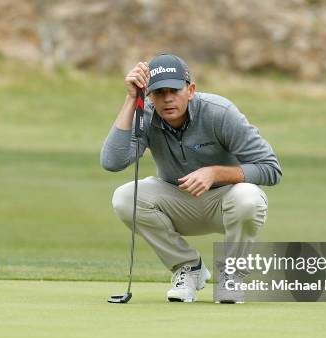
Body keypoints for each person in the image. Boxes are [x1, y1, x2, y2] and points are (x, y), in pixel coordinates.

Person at [100, 53, 282, 303]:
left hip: (225, 202)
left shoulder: (220, 112)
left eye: (174, 90)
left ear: (191, 89)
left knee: (248, 197)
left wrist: (215, 173)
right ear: (149, 95)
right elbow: (112, 162)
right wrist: (132, 99)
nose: (167, 99)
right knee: (124, 197)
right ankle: (188, 268)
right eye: (159, 92)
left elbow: (271, 169)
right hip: (177, 202)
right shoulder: (147, 115)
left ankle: (232, 275)